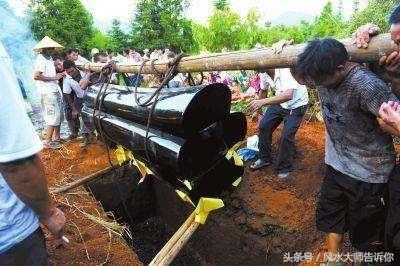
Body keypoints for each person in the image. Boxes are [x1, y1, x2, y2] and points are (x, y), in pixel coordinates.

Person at [297, 38, 398, 260]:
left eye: (322, 81)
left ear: (340, 68)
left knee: (366, 235)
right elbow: (299, 75)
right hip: (336, 165)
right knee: (331, 218)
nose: (318, 85)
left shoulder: (367, 86)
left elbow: (396, 122)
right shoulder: (320, 72)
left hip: (369, 173)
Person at [0, 40, 66, 265]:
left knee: (56, 118)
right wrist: (48, 213)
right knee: (51, 118)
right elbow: (15, 161)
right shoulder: (38, 62)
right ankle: (50, 140)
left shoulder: (47, 60)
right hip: (9, 234)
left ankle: (54, 139)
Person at [249, 67, 308, 178]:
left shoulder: (286, 70)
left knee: (286, 136)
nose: (254, 69)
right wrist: (257, 111)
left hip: (296, 106)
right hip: (280, 103)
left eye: (256, 66)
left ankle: (284, 167)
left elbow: (288, 95)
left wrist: (262, 102)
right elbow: (264, 90)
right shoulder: (264, 73)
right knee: (264, 126)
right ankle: (264, 158)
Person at [33, 36, 65, 149]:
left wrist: (57, 75)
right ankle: (47, 142)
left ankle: (57, 138)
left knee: (59, 115)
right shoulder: (41, 59)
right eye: (51, 48)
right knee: (52, 116)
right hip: (47, 92)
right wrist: (54, 77)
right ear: (46, 48)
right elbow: (37, 76)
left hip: (53, 90)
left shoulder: (49, 58)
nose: (53, 50)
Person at [62, 60, 94, 147]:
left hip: (93, 96)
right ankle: (85, 136)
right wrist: (74, 109)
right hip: (80, 98)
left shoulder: (85, 71)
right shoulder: (67, 78)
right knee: (83, 115)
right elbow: (67, 94)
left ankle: (91, 134)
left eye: (72, 71)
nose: (71, 73)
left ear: (75, 66)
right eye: (68, 72)